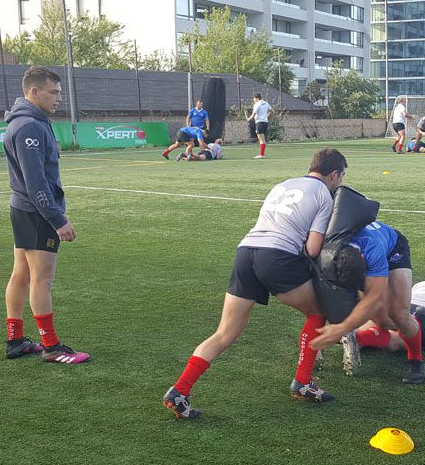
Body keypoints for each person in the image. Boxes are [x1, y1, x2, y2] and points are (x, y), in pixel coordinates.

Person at [163, 149, 385, 419]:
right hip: (277, 256)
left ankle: (180, 389)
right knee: (318, 312)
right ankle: (302, 382)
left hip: (246, 251)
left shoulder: (283, 184)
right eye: (341, 177)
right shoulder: (324, 195)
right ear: (334, 174)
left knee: (224, 333)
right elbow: (313, 248)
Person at [2, 65, 89, 364]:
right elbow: (35, 180)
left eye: (60, 93)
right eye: (53, 92)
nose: (58, 98)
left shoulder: (29, 121)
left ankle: (15, 341)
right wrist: (57, 219)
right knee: (42, 280)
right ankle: (51, 346)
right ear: (34, 91)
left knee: (22, 275)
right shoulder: (29, 127)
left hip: (23, 208)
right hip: (37, 211)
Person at [314, 221, 425, 384]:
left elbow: (375, 298)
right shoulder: (328, 254)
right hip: (353, 256)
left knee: (398, 314)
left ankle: (416, 360)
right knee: (382, 322)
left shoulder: (373, 250)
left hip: (393, 248)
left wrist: (342, 327)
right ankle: (369, 335)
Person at [354, 263, 425, 356]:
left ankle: (354, 334)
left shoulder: (423, 283)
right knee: (398, 339)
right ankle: (360, 338)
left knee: (379, 323)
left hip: (405, 307)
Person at [246, 92, 273, 159]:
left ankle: (261, 155)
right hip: (265, 122)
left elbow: (253, 115)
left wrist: (248, 119)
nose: (254, 100)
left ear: (257, 98)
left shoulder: (257, 104)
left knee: (261, 139)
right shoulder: (266, 103)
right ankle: (262, 154)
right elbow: (272, 111)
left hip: (259, 123)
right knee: (263, 139)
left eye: (254, 99)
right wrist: (266, 116)